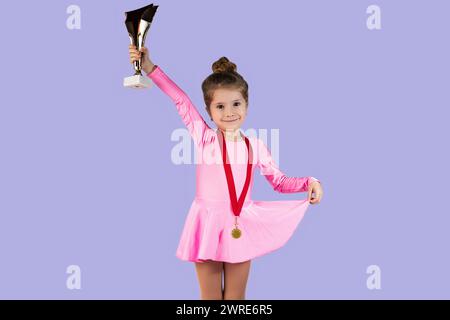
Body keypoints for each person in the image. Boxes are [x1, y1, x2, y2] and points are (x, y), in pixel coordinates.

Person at [129, 45, 324, 300]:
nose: (229, 112)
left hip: (240, 225)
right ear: (209, 111)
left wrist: (310, 181)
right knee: (210, 299)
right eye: (220, 106)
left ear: (247, 105)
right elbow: (180, 99)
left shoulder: (256, 146)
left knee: (235, 299)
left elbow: (279, 181)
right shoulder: (204, 138)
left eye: (236, 104)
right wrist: (149, 68)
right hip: (207, 225)